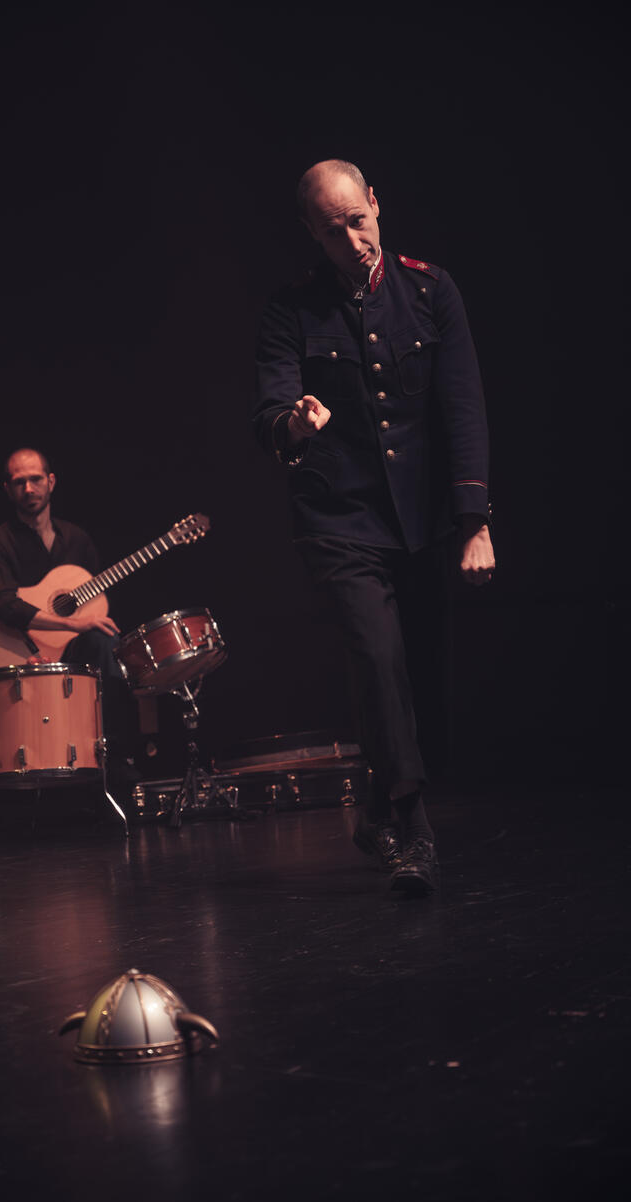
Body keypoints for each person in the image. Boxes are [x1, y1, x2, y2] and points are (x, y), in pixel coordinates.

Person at [253, 159, 495, 896]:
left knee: (424, 676)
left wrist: (474, 522)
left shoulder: (430, 290)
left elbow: (463, 406)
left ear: (377, 207)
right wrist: (294, 422)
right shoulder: (291, 310)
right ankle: (412, 836)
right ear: (312, 235)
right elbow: (269, 415)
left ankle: (380, 810)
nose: (353, 239)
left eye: (359, 220)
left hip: (419, 518)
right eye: (335, 231)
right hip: (340, 517)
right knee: (379, 659)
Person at [0, 447, 136, 814]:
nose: (28, 488)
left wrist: (73, 631)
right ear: (7, 489)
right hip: (7, 658)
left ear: (51, 482)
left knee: (108, 641)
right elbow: (2, 604)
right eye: (19, 482)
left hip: (69, 660)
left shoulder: (76, 539)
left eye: (35, 479)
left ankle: (114, 757)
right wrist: (69, 623)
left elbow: (93, 606)